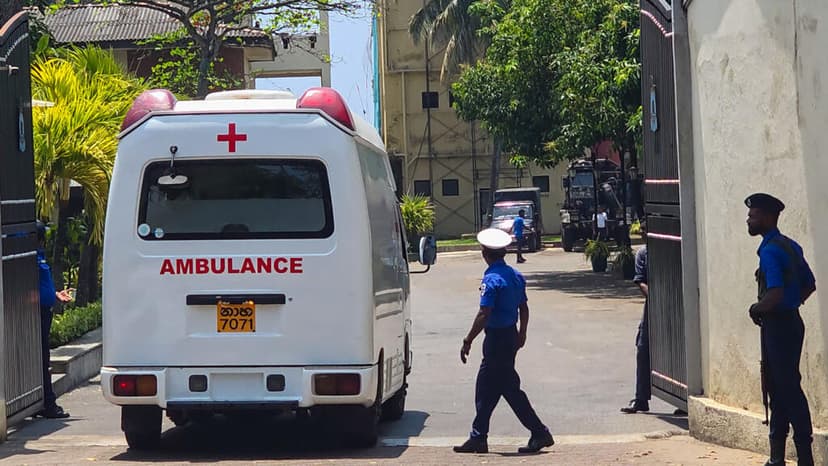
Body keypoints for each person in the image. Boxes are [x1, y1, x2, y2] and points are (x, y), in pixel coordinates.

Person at [454, 228, 554, 454]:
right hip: (510, 336)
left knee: (504, 389)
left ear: (484, 253)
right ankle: (479, 436)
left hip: (496, 340)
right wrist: (522, 333)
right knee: (490, 388)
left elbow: (484, 313)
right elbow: (524, 307)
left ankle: (539, 432)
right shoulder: (515, 275)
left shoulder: (491, 279)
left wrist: (468, 339)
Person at [745, 193, 815, 466]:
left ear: (766, 217)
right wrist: (792, 303)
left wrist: (757, 308)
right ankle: (776, 457)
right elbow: (809, 284)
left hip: (778, 326)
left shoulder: (770, 252)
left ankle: (803, 457)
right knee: (779, 388)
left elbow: (774, 292)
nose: (749, 220)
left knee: (787, 390)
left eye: (753, 216)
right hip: (791, 322)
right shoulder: (790, 246)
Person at [36, 220, 73, 419]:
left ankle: (42, 401)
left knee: (42, 357)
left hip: (45, 311)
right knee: (41, 358)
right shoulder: (29, 258)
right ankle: (48, 403)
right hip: (36, 314)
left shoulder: (39, 257)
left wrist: (55, 294)